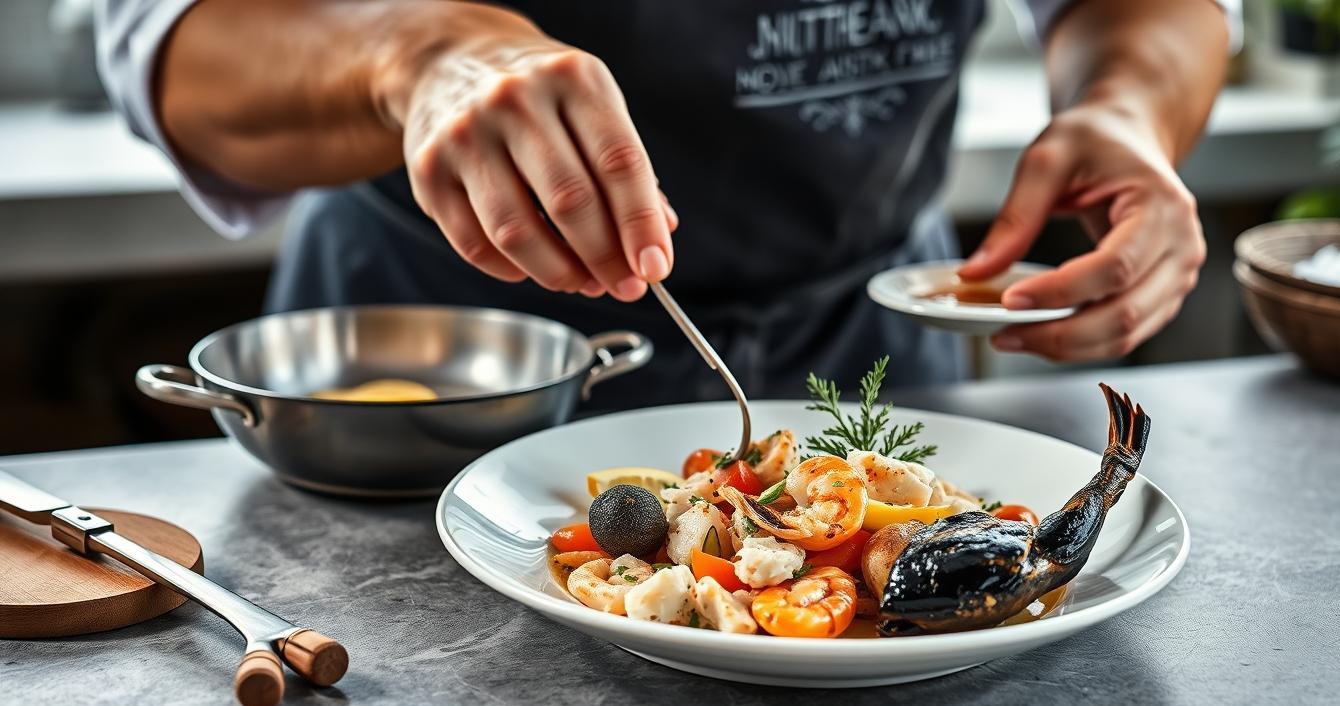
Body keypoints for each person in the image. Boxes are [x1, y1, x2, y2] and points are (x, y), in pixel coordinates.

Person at [96, 0, 1236, 408]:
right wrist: (419, 50)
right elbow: (165, 39)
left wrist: (1130, 107)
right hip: (450, 361)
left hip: (867, 350)